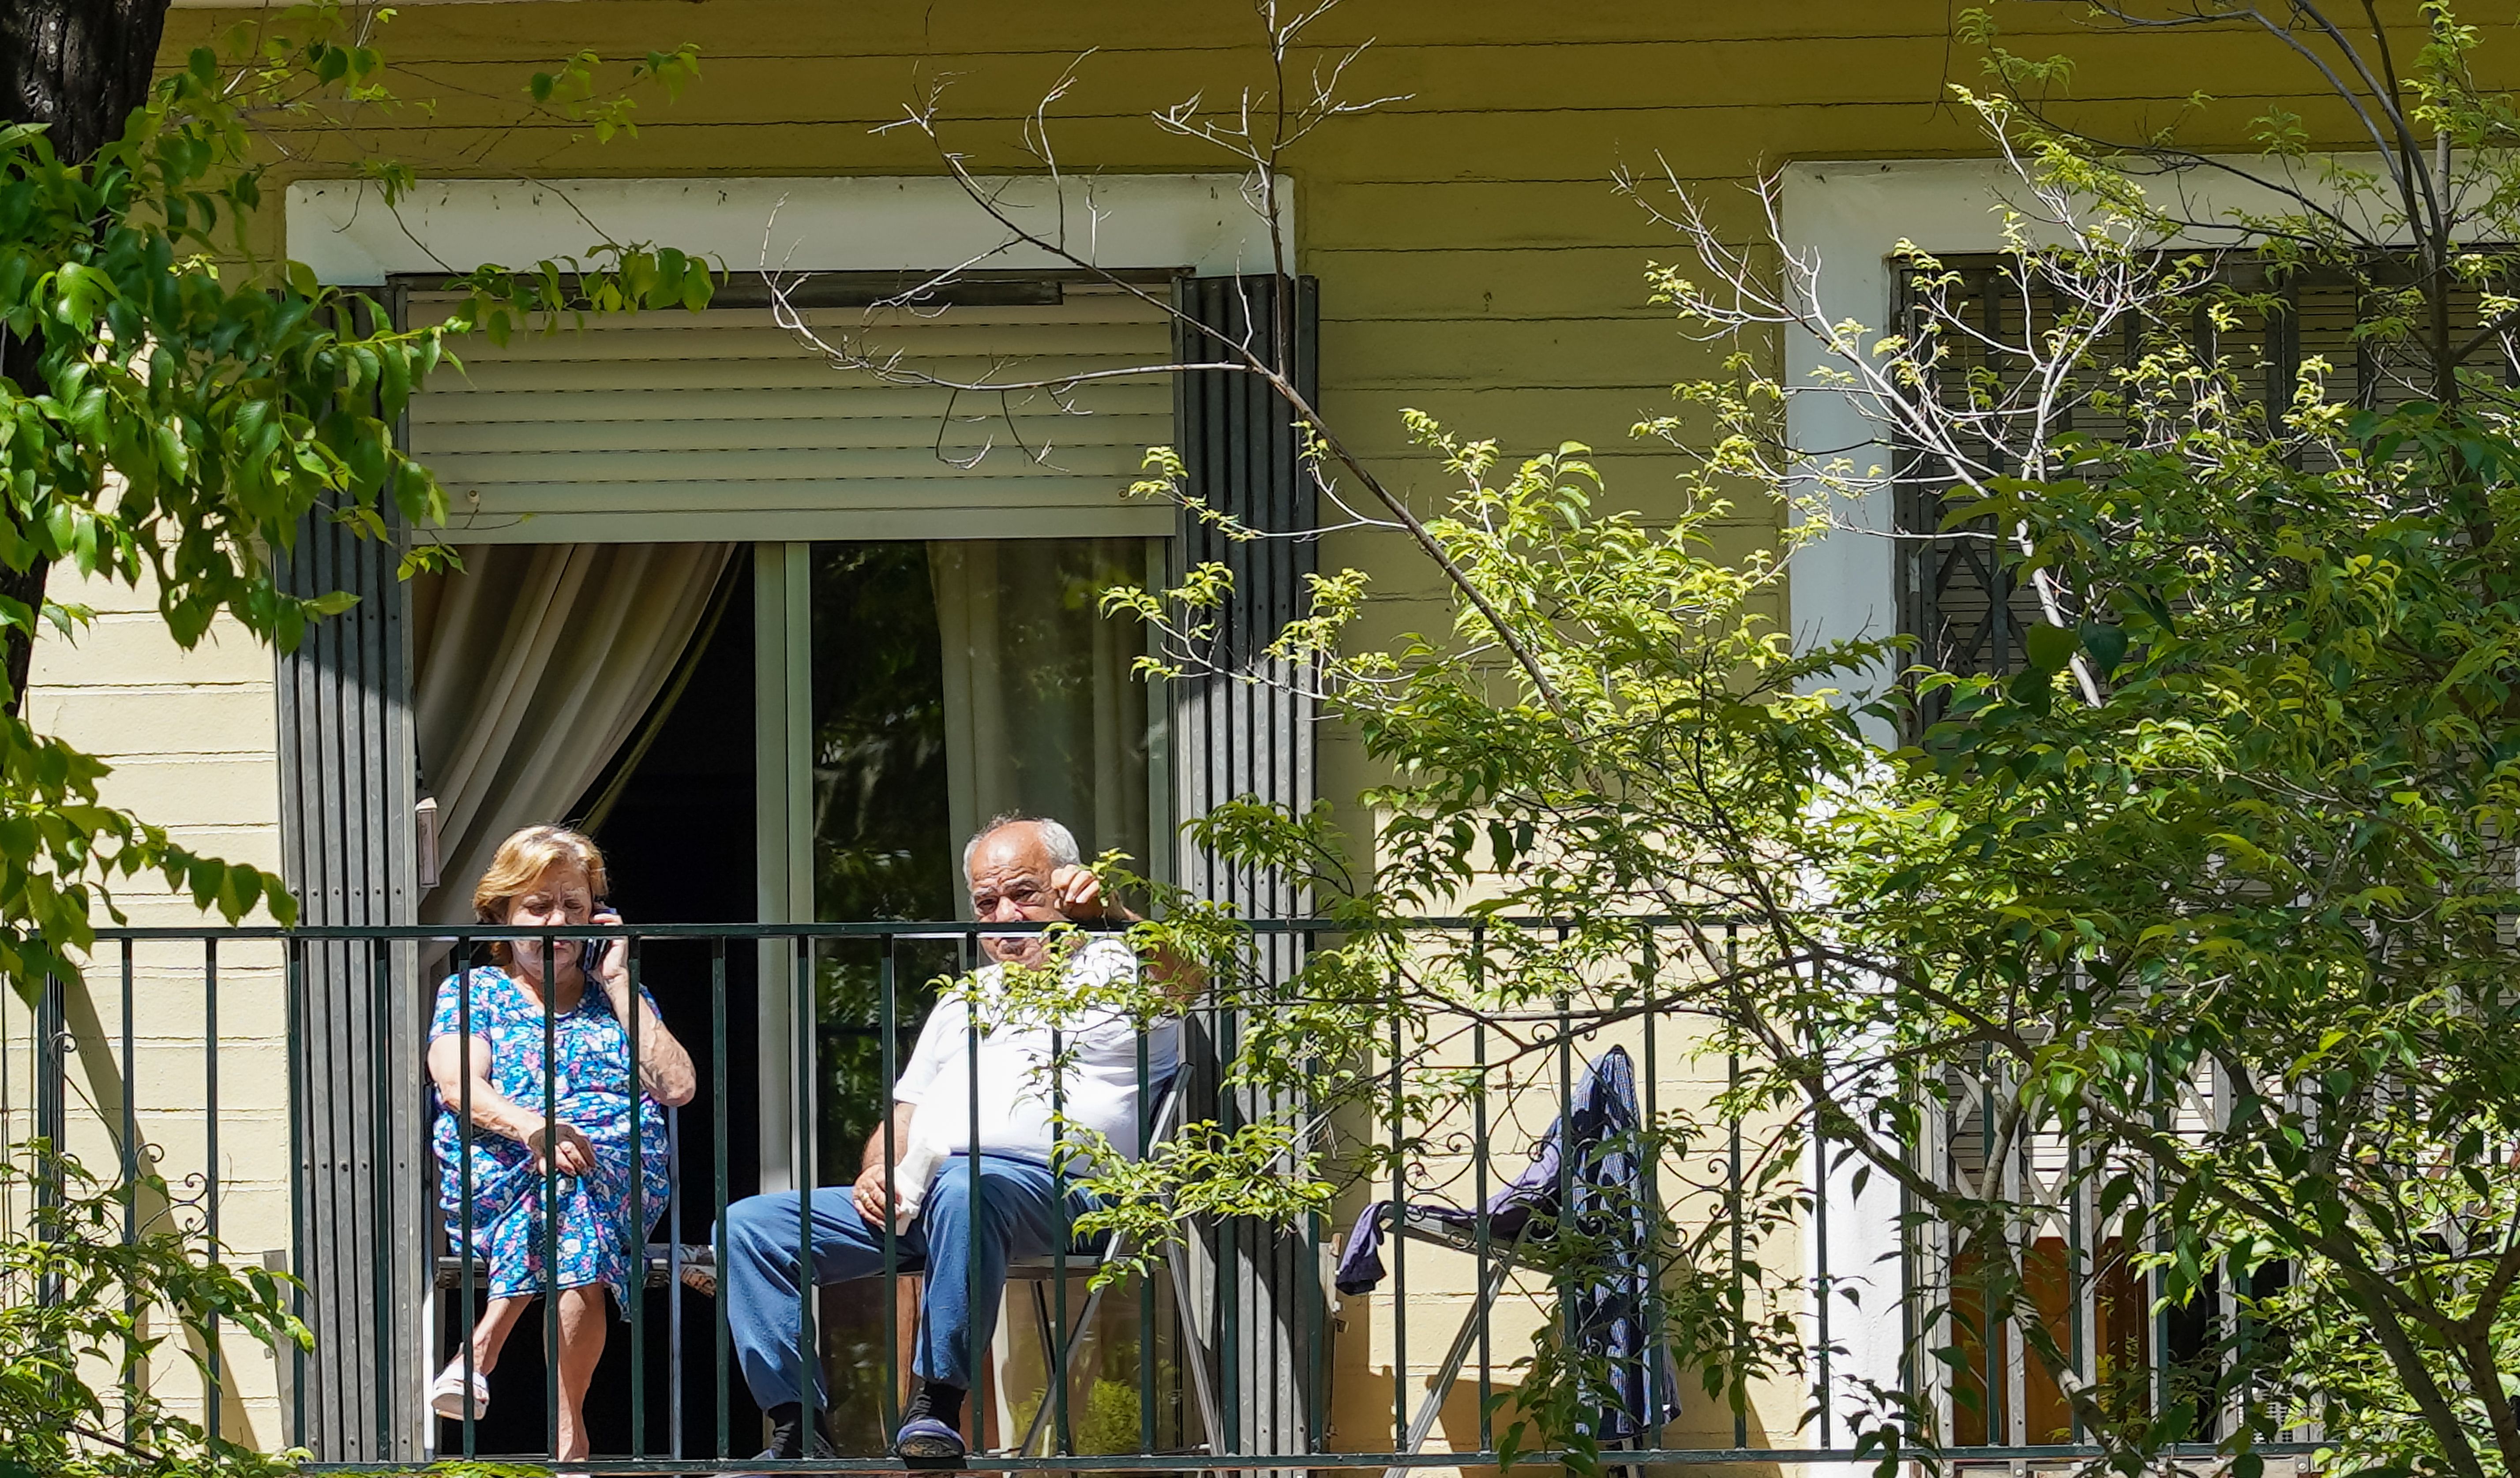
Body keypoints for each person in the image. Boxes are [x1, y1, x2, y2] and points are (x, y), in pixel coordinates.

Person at [718, 815, 1183, 1463]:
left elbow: (1191, 979)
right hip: (935, 1196)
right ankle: (798, 1432)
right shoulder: (966, 997)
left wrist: (1111, 912)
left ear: (1067, 887)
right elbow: (904, 1114)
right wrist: (878, 1170)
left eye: (1024, 893)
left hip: (1072, 1197)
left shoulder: (1120, 970)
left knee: (971, 1186)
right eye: (987, 903)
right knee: (751, 1225)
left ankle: (937, 1404)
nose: (1006, 916)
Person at [424, 824, 698, 1460]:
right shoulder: (475, 992)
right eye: (538, 907)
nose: (558, 922)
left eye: (574, 906)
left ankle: (481, 1349)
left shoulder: (622, 1000)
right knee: (569, 1191)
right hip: (503, 1170)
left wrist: (622, 983)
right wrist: (536, 1128)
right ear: (503, 913)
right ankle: (570, 1437)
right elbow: (457, 1083)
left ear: (599, 915)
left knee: (574, 1179)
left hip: (618, 1174)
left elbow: (678, 1086)